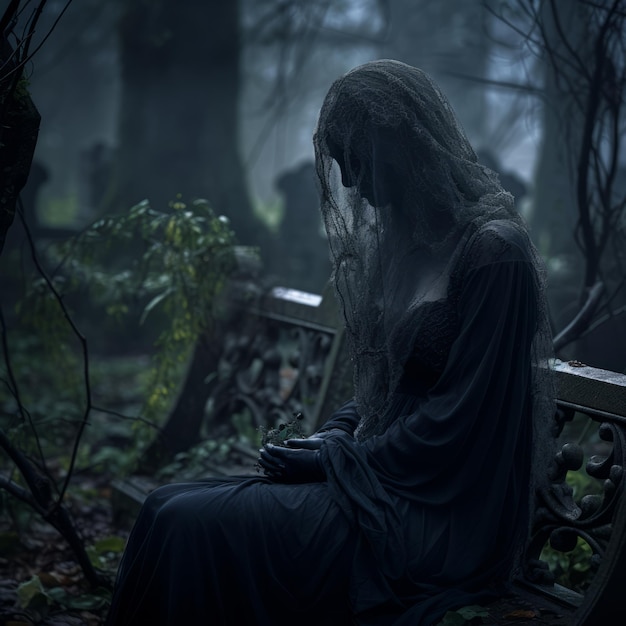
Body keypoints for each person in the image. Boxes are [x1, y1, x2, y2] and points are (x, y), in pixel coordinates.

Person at [105, 59, 554, 626]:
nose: (349, 184)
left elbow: (466, 427)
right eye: (341, 164)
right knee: (164, 505)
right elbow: (382, 389)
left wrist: (340, 457)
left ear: (401, 145)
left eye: (357, 161)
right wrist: (329, 435)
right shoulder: (404, 248)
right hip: (382, 479)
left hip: (438, 514)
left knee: (186, 523)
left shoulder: (494, 254)